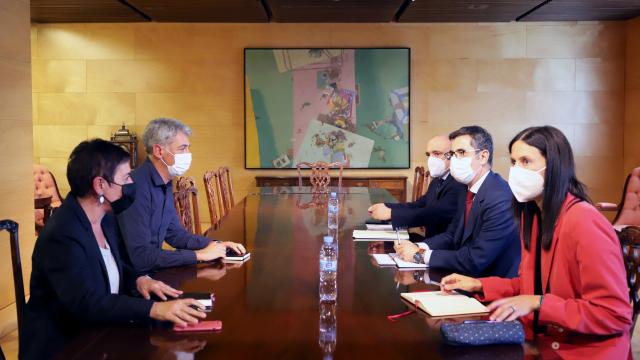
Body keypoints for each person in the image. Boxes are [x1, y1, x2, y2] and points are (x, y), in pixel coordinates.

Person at [441, 126, 632, 359]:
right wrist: (479, 284)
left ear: (554, 167)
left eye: (526, 161)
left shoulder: (584, 221)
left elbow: (614, 314)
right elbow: (531, 287)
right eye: (513, 162)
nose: (516, 171)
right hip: (540, 340)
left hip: (581, 351)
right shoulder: (532, 215)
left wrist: (539, 303)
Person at [20, 140, 207, 360]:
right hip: (66, 346)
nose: (131, 183)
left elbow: (119, 265)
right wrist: (153, 309)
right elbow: (86, 302)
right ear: (100, 185)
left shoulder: (105, 216)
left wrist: (140, 279)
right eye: (126, 178)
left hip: (101, 333)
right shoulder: (62, 233)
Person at [118, 118, 245, 272]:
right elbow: (141, 257)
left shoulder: (166, 181)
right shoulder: (136, 187)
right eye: (182, 148)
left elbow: (175, 234)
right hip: (133, 281)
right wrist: (198, 255)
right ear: (159, 151)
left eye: (188, 148)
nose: (188, 154)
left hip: (152, 272)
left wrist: (216, 245)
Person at [394, 126, 520, 278]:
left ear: (483, 156)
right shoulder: (466, 189)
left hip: (487, 285)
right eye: (453, 154)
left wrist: (419, 255)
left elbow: (476, 259)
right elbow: (452, 235)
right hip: (463, 276)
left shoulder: (500, 197)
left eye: (461, 153)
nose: (454, 159)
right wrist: (417, 247)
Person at [367, 135, 466, 236]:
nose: (431, 159)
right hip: (430, 241)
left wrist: (391, 213)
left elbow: (435, 213)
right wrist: (387, 206)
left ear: (452, 155)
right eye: (429, 154)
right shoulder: (437, 180)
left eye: (436, 153)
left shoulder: (459, 183)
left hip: (443, 246)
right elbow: (418, 205)